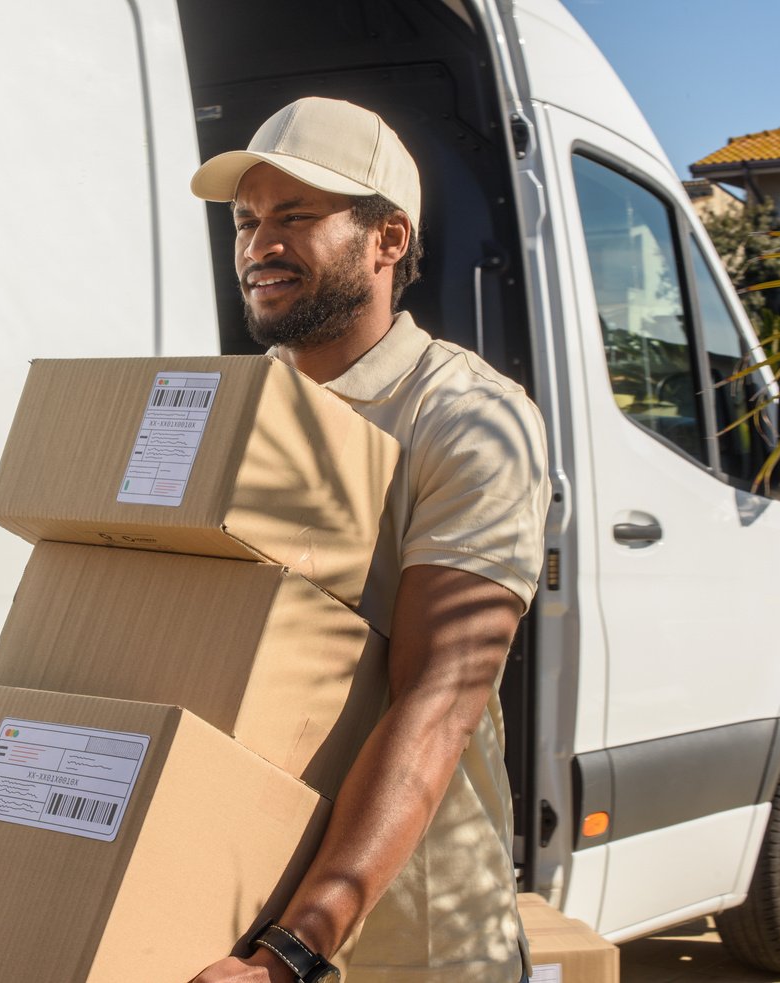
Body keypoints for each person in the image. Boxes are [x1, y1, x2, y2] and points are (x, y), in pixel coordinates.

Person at [187, 98, 550, 983]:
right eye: (247, 222)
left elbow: (437, 701)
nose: (260, 245)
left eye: (296, 216)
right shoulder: (229, 412)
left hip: (408, 947)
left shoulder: (469, 418)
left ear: (388, 239)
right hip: (233, 914)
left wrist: (291, 953)